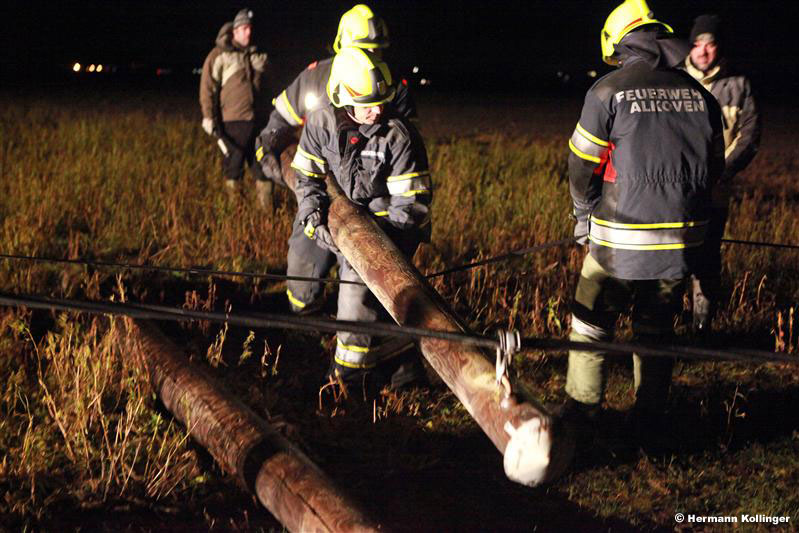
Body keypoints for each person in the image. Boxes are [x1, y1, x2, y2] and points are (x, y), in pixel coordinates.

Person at [562, 0, 725, 444]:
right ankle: (650, 417)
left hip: (617, 240)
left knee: (591, 321)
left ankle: (582, 412)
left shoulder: (606, 91)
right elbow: (714, 175)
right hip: (679, 242)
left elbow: (581, 166)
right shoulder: (702, 97)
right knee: (655, 328)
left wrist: (583, 216)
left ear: (617, 46)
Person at [287, 47, 431, 387]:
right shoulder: (321, 122)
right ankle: (401, 365)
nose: (376, 110)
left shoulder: (398, 136)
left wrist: (370, 245)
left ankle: (348, 377)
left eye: (380, 100)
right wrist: (311, 215)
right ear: (342, 98)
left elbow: (411, 209)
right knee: (308, 269)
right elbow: (306, 176)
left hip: (387, 232)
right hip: (344, 222)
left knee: (356, 295)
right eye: (367, 103)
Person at [254, 4, 417, 199]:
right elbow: (280, 119)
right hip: (317, 184)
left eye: (376, 51)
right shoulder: (314, 77)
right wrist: (268, 145)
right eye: (363, 50)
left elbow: (408, 148)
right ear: (342, 47)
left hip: (372, 197)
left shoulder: (393, 86)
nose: (369, 59)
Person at [683, 14, 762, 331]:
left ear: (719, 48)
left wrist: (719, 174)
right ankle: (668, 327)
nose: (703, 51)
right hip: (676, 196)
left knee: (707, 260)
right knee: (672, 260)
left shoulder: (739, 86)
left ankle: (701, 327)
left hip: (715, 195)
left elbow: (750, 136)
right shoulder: (675, 82)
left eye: (710, 44)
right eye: (697, 44)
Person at [199, 8, 272, 207]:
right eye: (244, 28)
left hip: (256, 123)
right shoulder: (219, 55)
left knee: (263, 169)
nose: (248, 32)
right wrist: (208, 117)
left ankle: (266, 214)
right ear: (235, 32)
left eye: (250, 28)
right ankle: (235, 212)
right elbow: (207, 87)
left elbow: (268, 87)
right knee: (234, 168)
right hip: (232, 123)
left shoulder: (257, 55)